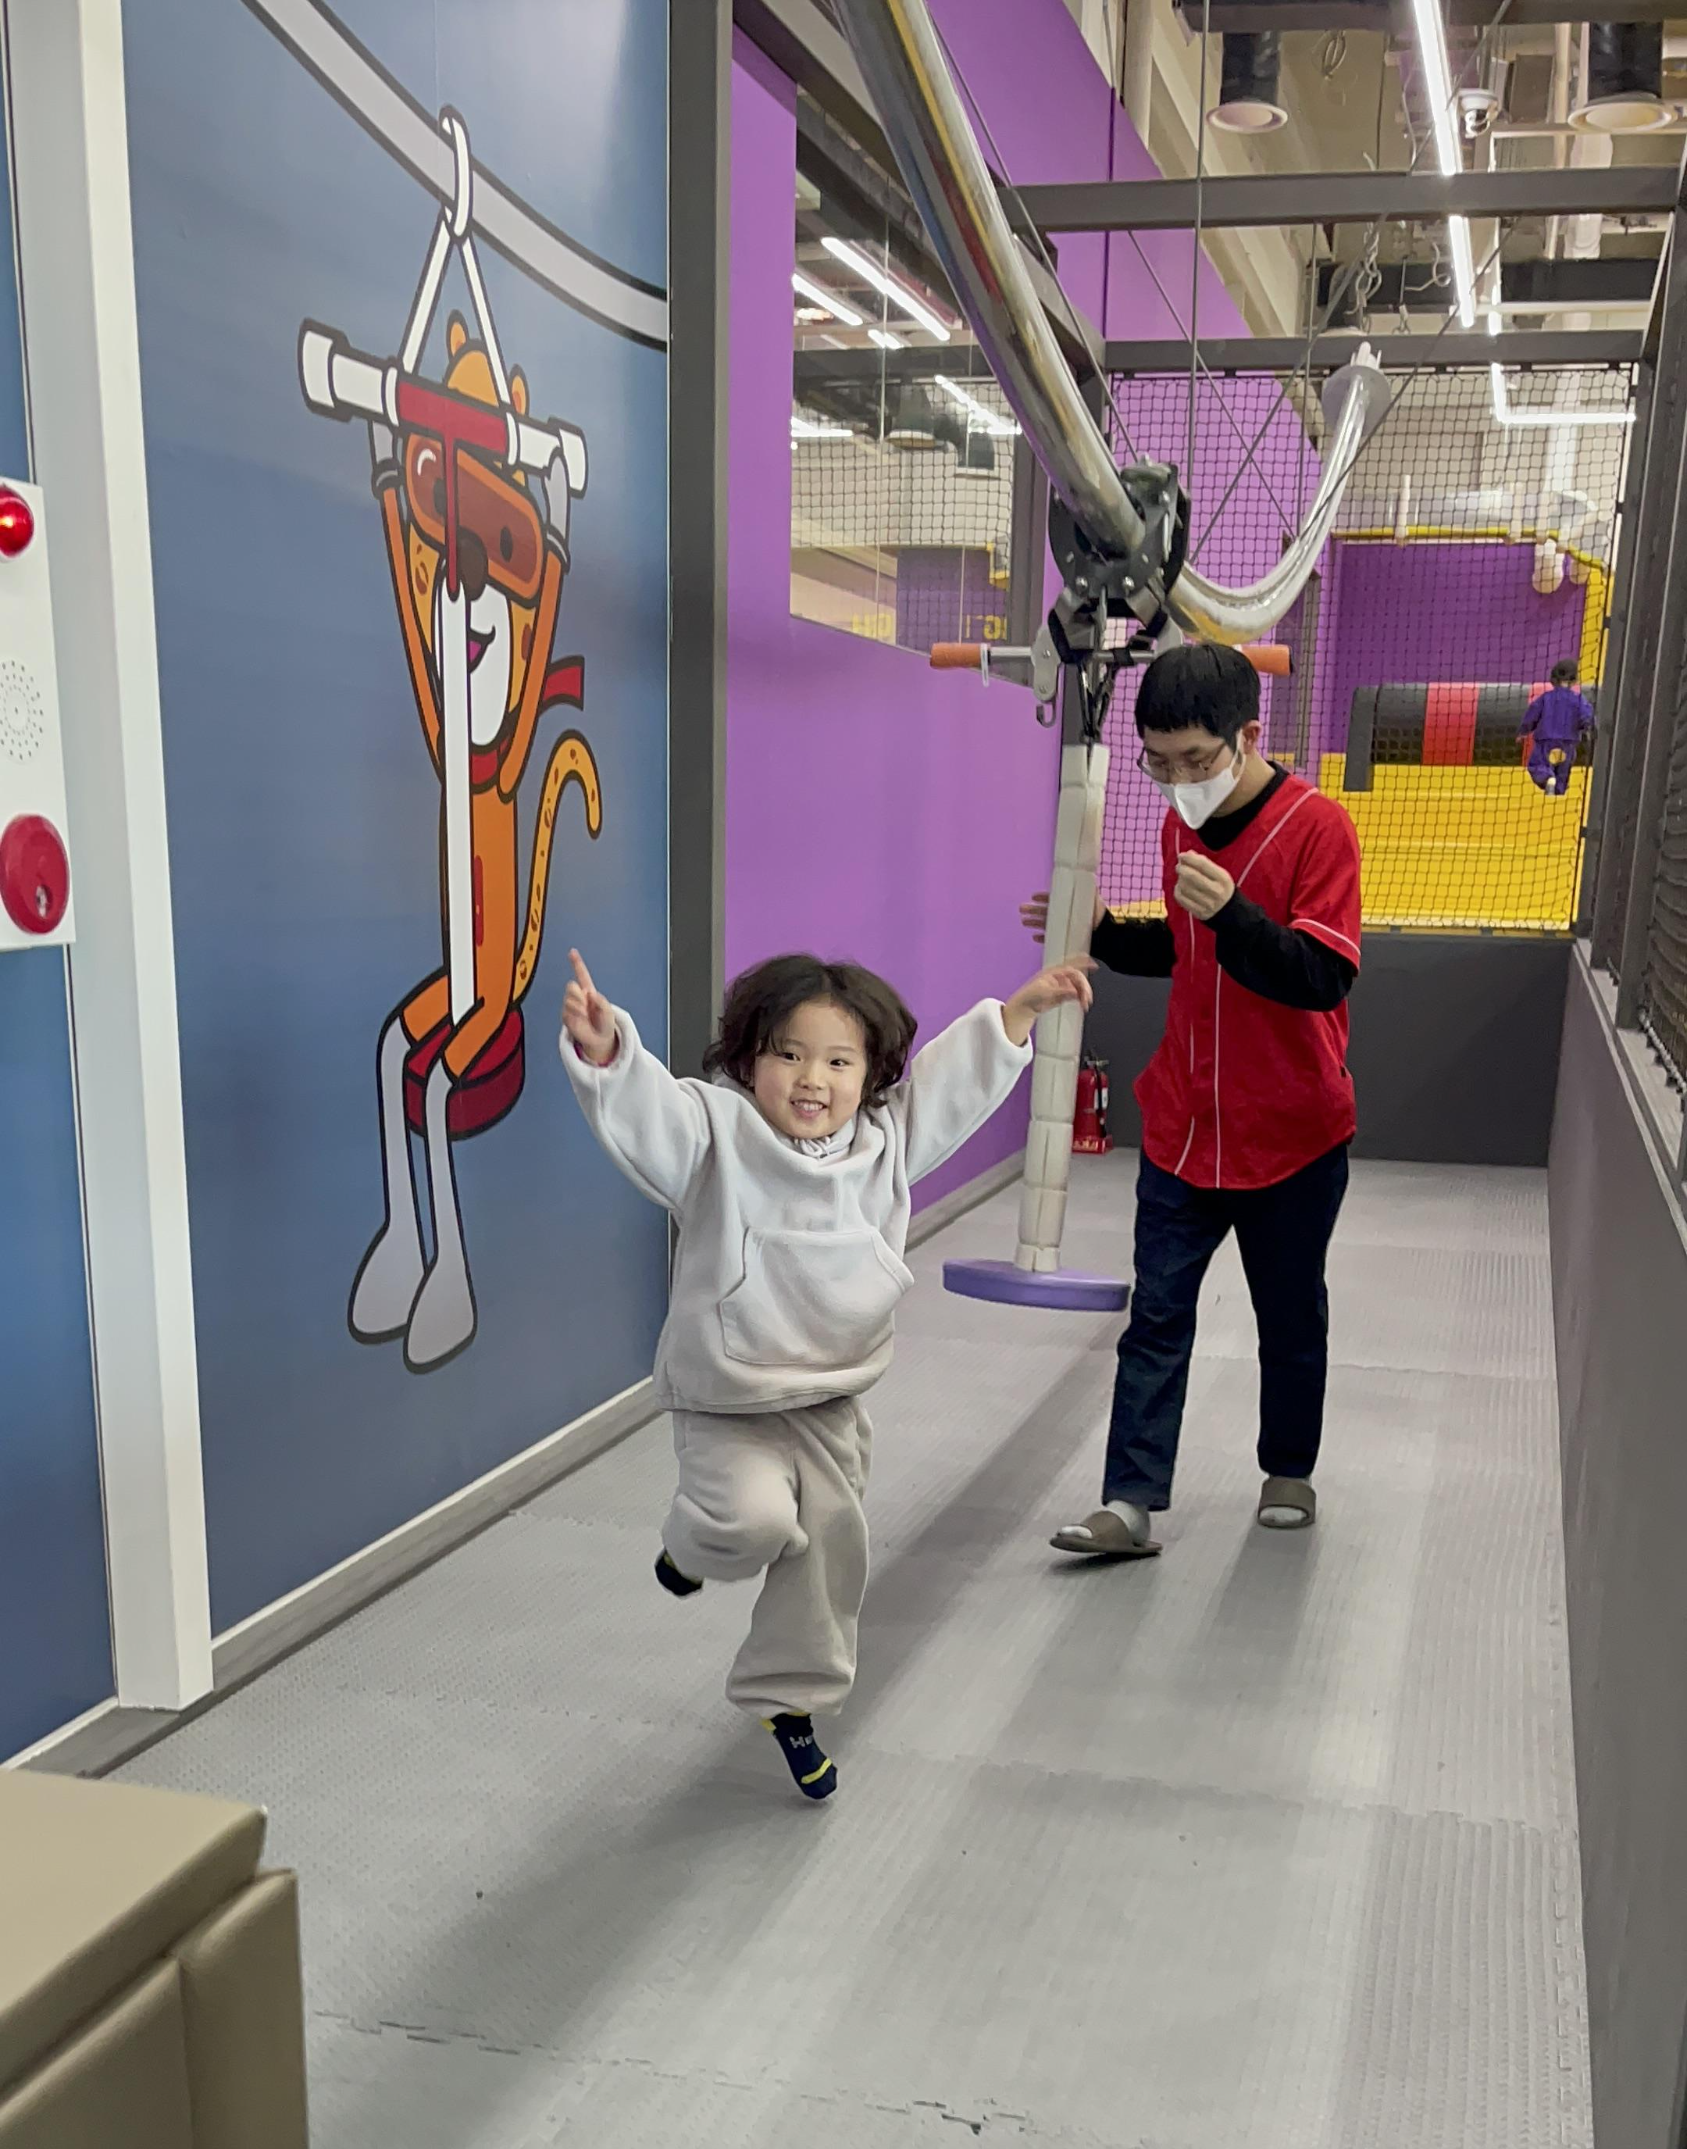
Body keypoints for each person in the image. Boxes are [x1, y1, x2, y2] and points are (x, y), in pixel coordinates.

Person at [560, 945, 1093, 1798]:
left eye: (839, 1062)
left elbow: (948, 1088)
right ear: (749, 1058)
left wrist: (1017, 1014)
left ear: (870, 1074)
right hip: (728, 1393)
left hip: (831, 1397)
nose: (812, 1079)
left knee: (830, 1553)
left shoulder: (884, 1142)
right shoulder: (714, 1132)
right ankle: (690, 1550)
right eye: (788, 1054)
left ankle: (789, 1700)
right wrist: (608, 1052)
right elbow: (650, 1115)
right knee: (750, 1523)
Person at [1021, 640, 1362, 1560]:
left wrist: (1232, 914)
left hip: (1291, 1133)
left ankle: (1287, 1468)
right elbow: (1186, 950)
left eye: (1194, 759)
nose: (1176, 780)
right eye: (1158, 763)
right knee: (1157, 1316)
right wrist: (1104, 933)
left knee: (1289, 1315)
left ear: (1246, 735)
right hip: (1183, 1127)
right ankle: (1128, 1500)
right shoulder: (1179, 826)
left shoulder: (1318, 828)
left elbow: (1320, 977)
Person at [1519, 660, 1595, 796]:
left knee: (1538, 765)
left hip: (1546, 740)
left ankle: (1548, 778)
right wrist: (1589, 728)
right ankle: (1558, 790)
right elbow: (1586, 715)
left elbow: (1532, 714)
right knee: (1563, 770)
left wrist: (1524, 731)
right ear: (1574, 681)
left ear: (1553, 679)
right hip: (1568, 742)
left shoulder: (1546, 698)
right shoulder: (1578, 699)